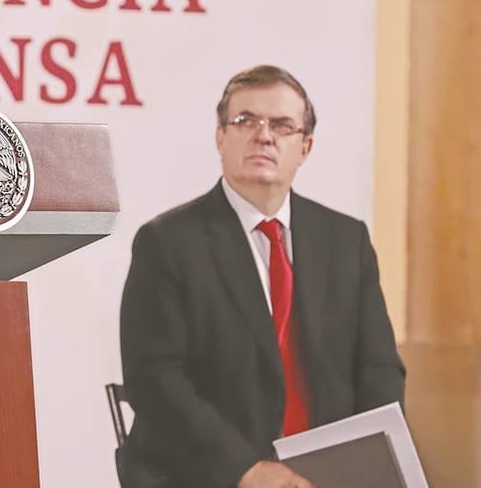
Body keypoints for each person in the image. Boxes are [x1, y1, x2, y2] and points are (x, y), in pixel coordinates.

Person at [119, 65, 405, 488]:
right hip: (210, 473)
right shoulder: (167, 242)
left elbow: (380, 370)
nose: (263, 135)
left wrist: (365, 463)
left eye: (282, 125)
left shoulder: (347, 240)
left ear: (305, 147)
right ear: (220, 138)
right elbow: (155, 380)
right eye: (245, 121)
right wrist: (244, 469)